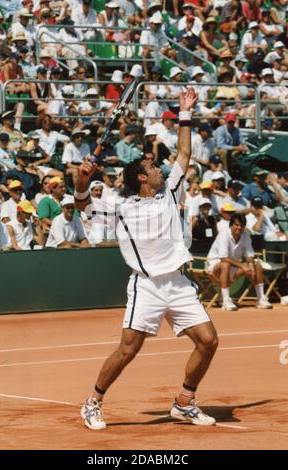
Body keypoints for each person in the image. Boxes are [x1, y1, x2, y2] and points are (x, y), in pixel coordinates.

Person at [74, 88, 218, 430]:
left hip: (178, 282)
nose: (159, 169)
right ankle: (93, 402)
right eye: (153, 167)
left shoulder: (170, 190)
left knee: (209, 341)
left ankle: (184, 402)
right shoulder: (121, 207)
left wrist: (185, 112)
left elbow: (184, 152)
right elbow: (82, 204)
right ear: (141, 177)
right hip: (147, 286)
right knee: (128, 349)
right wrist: (82, 180)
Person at [207, 212, 272, 311]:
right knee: (225, 265)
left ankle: (261, 299)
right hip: (214, 267)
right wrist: (243, 266)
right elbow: (223, 258)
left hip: (233, 267)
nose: (239, 228)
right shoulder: (223, 234)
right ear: (231, 225)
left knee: (257, 264)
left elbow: (249, 255)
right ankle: (226, 301)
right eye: (236, 225)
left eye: (241, 225)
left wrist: (250, 265)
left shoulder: (246, 235)